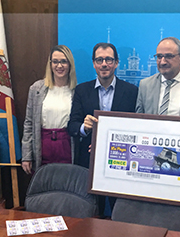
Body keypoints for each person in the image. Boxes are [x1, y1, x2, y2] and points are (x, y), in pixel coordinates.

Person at [68, 42, 138, 216]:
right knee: (90, 212)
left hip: (121, 162)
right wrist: (85, 127)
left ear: (116, 63)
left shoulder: (131, 91)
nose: (104, 64)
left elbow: (136, 128)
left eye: (108, 59)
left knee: (120, 213)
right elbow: (72, 125)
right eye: (99, 60)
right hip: (89, 162)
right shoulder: (82, 90)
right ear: (93, 63)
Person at [21, 45, 77, 174]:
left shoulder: (76, 91)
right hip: (43, 145)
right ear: (50, 64)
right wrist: (27, 155)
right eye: (55, 61)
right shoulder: (37, 89)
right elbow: (29, 123)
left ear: (70, 64)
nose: (59, 66)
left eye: (63, 61)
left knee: (65, 185)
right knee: (44, 185)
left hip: (66, 145)